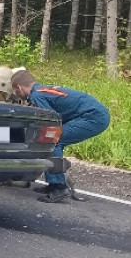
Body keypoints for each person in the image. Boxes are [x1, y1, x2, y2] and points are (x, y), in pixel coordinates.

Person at [11, 70, 110, 203]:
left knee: (52, 141)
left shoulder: (36, 96)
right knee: (48, 140)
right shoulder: (42, 90)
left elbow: (49, 121)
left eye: (15, 91)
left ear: (19, 87)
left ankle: (59, 188)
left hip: (93, 117)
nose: (16, 95)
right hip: (92, 114)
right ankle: (53, 183)